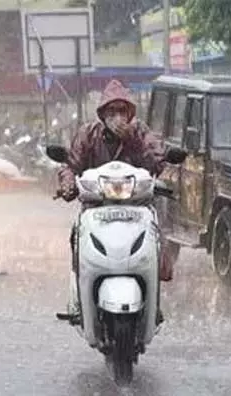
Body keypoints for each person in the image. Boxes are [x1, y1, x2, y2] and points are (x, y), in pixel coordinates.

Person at [55, 79, 175, 322]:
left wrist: (133, 139)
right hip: (97, 206)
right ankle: (80, 298)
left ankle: (154, 301)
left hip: (136, 206)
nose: (117, 116)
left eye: (122, 111)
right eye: (112, 111)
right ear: (103, 114)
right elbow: (70, 165)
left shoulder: (141, 132)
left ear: (130, 113)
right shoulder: (88, 134)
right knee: (76, 236)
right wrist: (67, 184)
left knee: (157, 238)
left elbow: (158, 163)